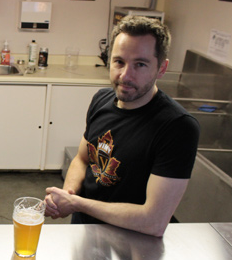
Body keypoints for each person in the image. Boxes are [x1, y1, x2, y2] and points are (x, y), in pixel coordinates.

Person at [44, 16, 200, 237]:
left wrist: (76, 203)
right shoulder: (101, 100)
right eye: (119, 62)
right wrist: (67, 196)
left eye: (140, 64)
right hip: (83, 232)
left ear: (161, 68)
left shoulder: (177, 127)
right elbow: (82, 158)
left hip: (132, 246)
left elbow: (153, 221)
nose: (125, 75)